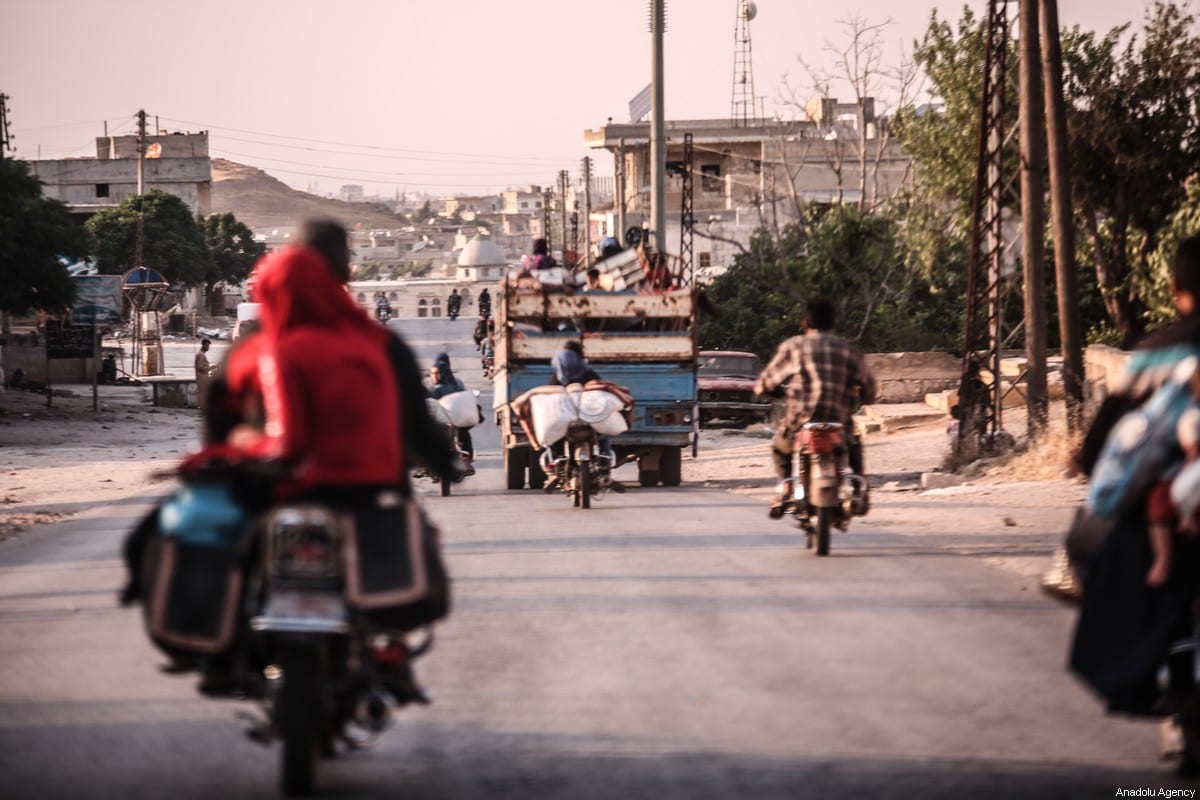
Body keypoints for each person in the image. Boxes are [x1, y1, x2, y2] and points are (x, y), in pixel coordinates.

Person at [1069, 234, 1200, 717]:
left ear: (1174, 288)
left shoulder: (1152, 354)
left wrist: (1085, 462)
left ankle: (1145, 671)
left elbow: (1103, 440)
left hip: (1160, 513)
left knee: (1090, 546)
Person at [753, 298, 876, 511]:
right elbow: (869, 386)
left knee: (780, 448)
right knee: (854, 442)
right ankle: (858, 488)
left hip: (801, 421)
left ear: (805, 322)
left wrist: (768, 390)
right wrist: (865, 396)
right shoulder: (847, 349)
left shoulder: (794, 346)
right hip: (839, 420)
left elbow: (765, 383)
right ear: (833, 322)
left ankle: (786, 491)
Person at [427, 352, 475, 471]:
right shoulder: (457, 382)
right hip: (455, 419)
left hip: (449, 420)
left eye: (437, 373)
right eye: (433, 373)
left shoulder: (435, 387)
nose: (435, 376)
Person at [194, 338, 215, 411]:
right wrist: (211, 368)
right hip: (201, 377)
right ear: (203, 345)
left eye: (208, 346)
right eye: (207, 346)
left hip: (203, 377)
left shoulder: (201, 354)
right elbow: (200, 367)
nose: (208, 347)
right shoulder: (200, 355)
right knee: (202, 392)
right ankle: (201, 407)